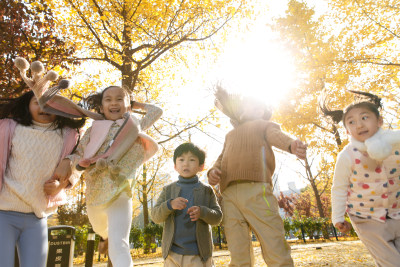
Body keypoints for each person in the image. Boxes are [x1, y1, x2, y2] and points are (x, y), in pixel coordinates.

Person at [207, 85, 307, 267]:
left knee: (272, 239)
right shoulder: (230, 135)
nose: (244, 109)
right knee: (237, 248)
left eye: (250, 106)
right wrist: (213, 172)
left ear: (261, 111)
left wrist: (292, 145)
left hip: (257, 191)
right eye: (242, 107)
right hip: (229, 196)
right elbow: (221, 158)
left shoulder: (264, 125)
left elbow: (278, 136)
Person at [66, 85, 162, 267]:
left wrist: (135, 104)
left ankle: (113, 242)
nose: (114, 103)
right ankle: (105, 236)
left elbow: (156, 111)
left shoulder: (133, 126)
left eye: (120, 99)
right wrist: (75, 165)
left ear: (128, 105)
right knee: (99, 228)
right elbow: (78, 153)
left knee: (119, 244)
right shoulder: (93, 129)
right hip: (95, 192)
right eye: (108, 99)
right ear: (101, 107)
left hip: (120, 192)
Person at [0, 90, 85, 267]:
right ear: (27, 105)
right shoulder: (9, 127)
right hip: (3, 213)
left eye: (51, 103)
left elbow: (84, 157)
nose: (44, 107)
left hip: (37, 217)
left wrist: (62, 182)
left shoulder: (68, 135)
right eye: (37, 102)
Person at [321, 90, 400, 267]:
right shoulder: (347, 156)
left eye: (365, 118)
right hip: (366, 218)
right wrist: (338, 218)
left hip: (397, 212)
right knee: (392, 263)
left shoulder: (395, 144)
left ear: (379, 121)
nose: (359, 125)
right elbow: (339, 188)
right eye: (352, 122)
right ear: (347, 131)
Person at [151, 143, 222, 267]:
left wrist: (203, 212)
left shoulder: (207, 190)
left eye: (192, 159)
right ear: (175, 166)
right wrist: (169, 205)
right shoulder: (168, 190)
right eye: (181, 159)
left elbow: (218, 217)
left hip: (199, 255)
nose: (185, 163)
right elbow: (155, 216)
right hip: (172, 254)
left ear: (201, 166)